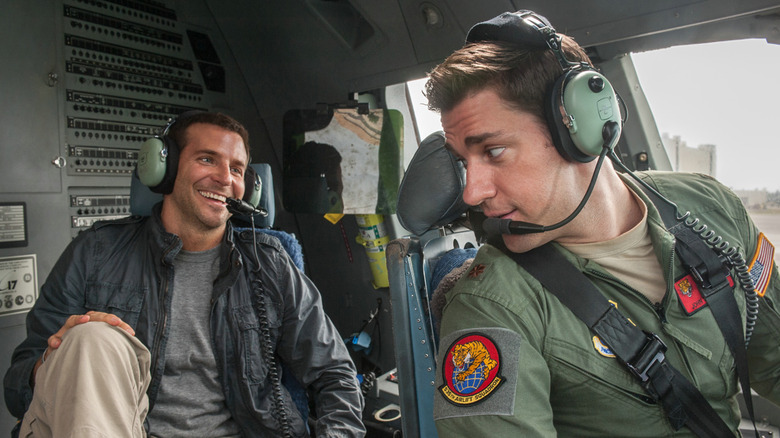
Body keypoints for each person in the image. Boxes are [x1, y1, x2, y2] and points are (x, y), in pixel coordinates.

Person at [424, 10, 779, 436]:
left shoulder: (710, 206)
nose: (472, 192)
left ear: (580, 130)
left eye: (494, 152)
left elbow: (773, 361)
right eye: (464, 162)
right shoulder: (492, 304)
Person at [3, 111, 366, 437]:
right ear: (164, 168)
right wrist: (56, 362)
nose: (225, 178)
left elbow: (334, 375)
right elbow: (17, 387)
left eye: (237, 169)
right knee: (91, 338)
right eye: (207, 159)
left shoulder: (269, 263)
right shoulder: (95, 252)